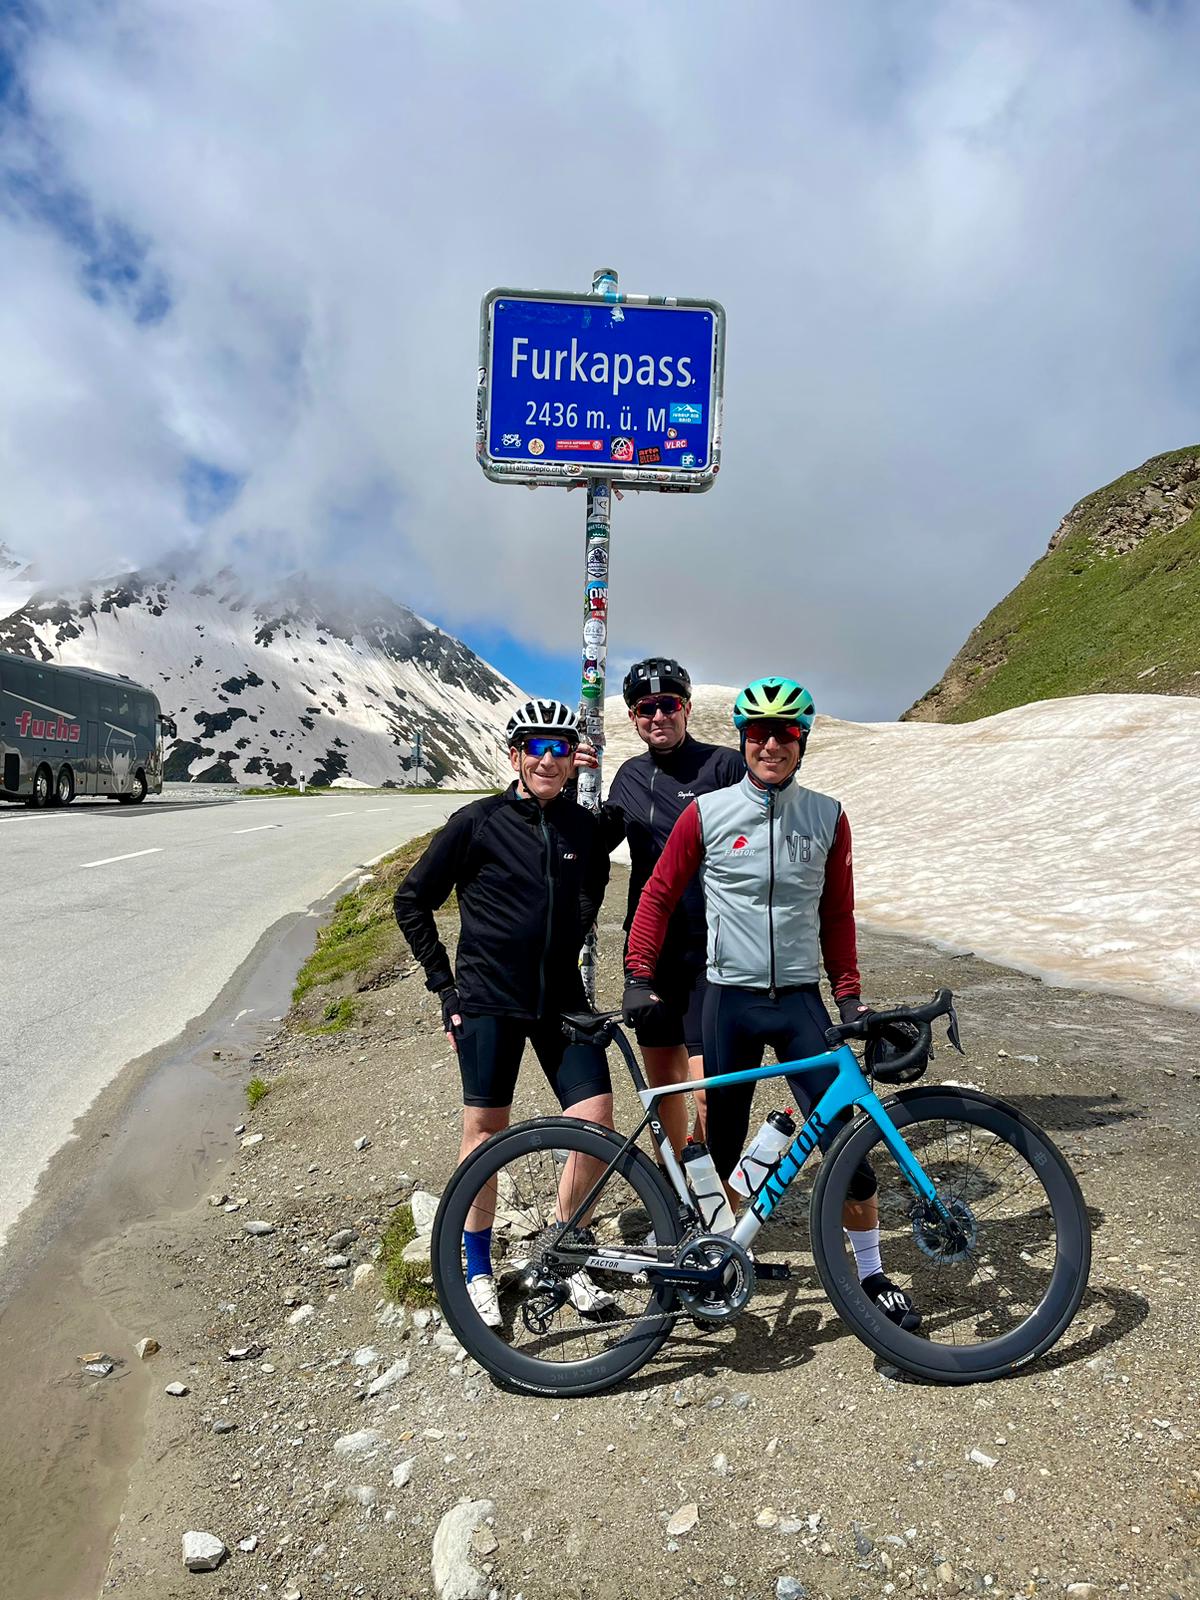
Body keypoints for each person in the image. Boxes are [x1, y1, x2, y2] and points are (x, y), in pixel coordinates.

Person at [622, 676, 920, 1330]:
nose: (771, 744)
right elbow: (658, 894)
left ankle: (871, 1273)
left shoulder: (828, 816)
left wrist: (849, 996)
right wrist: (639, 974)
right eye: (759, 733)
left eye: (786, 734)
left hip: (798, 1004)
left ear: (802, 741)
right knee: (719, 1150)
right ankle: (710, 1267)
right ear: (743, 740)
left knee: (847, 1147)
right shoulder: (707, 812)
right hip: (726, 1001)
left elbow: (837, 914)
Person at [393, 698, 615, 1328]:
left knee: (595, 1121)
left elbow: (631, 821)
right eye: (537, 746)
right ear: (515, 754)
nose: (549, 758)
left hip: (563, 998)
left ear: (576, 758)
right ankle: (477, 1268)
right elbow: (412, 900)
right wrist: (446, 987)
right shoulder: (479, 822)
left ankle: (564, 1253)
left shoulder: (585, 826)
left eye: (562, 747)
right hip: (488, 998)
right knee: (486, 1132)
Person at [601, 657, 743, 1153]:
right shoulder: (630, 776)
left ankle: (719, 1206)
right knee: (665, 1091)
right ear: (633, 718)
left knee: (710, 1093)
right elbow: (595, 844)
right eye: (645, 708)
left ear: (685, 708)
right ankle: (682, 1197)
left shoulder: (724, 765)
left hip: (713, 948)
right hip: (651, 952)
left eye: (668, 705)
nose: (658, 716)